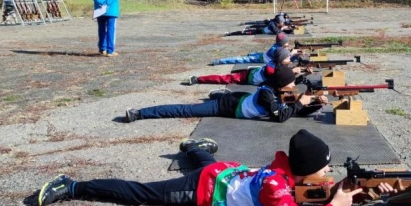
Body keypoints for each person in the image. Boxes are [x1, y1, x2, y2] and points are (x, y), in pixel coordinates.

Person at [36, 131, 384, 206]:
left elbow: (319, 191)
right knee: (142, 192)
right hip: (204, 189)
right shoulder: (277, 189)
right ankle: (73, 186)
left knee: (208, 162)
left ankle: (194, 149)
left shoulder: (288, 176)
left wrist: (362, 191)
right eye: (324, 168)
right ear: (305, 171)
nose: (328, 173)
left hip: (227, 171)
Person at [125, 66, 327, 123]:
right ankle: (139, 113)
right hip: (227, 107)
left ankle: (217, 94)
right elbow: (281, 117)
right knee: (187, 110)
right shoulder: (268, 95)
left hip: (240, 98)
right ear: (283, 84)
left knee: (225, 95)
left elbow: (294, 111)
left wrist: (315, 102)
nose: (295, 85)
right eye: (293, 82)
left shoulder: (280, 91)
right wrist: (302, 101)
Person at [187, 47, 291, 86]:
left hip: (252, 72)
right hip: (246, 77)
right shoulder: (272, 69)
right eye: (288, 57)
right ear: (281, 59)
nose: (290, 58)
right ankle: (198, 79)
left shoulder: (275, 64)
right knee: (223, 78)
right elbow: (280, 78)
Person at [210, 33, 298, 66]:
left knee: (253, 54)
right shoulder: (276, 49)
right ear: (282, 43)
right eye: (286, 42)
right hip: (263, 59)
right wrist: (292, 53)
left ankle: (252, 54)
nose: (288, 43)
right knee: (242, 60)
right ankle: (220, 61)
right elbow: (283, 58)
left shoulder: (278, 46)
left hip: (263, 54)